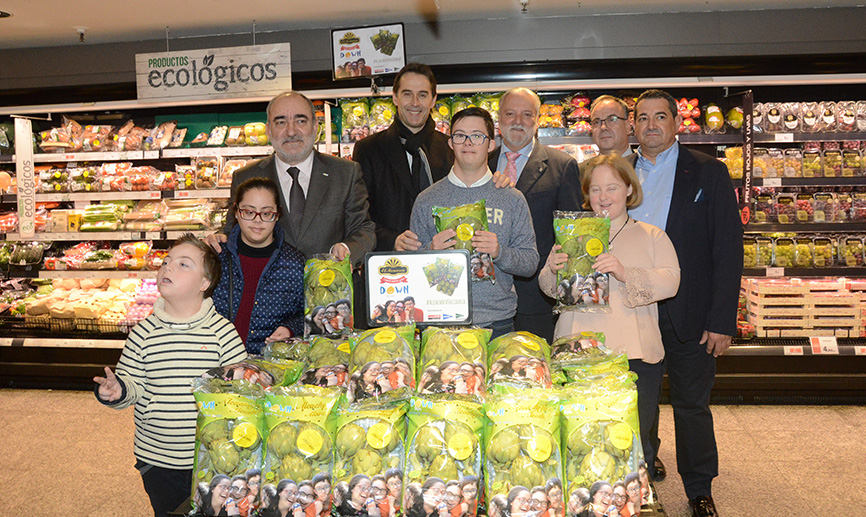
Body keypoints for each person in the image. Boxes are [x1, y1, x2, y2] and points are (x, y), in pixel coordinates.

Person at [628, 89, 743, 517]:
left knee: (692, 406)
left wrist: (722, 320)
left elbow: (728, 249)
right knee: (639, 404)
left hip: (692, 314)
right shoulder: (620, 172)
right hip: (635, 309)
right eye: (642, 118)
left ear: (678, 123)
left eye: (660, 117)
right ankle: (640, 483)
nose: (651, 125)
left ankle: (699, 489)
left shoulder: (709, 172)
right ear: (633, 125)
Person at [539, 154, 680, 484]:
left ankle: (639, 497)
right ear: (587, 194)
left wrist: (622, 271)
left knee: (632, 439)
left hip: (634, 356)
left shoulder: (652, 236)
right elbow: (548, 288)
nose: (604, 197)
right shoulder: (570, 235)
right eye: (596, 189)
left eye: (612, 187)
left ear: (629, 189)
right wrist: (553, 270)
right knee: (579, 440)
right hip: (578, 353)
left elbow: (671, 281)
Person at [94, 234, 247, 517]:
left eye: (183, 264)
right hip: (156, 459)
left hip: (211, 457)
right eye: (166, 262)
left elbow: (242, 385)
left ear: (205, 284)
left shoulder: (221, 332)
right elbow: (132, 383)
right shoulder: (143, 333)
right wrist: (118, 391)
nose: (168, 268)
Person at [206, 91, 375, 271]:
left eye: (300, 121)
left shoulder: (345, 173)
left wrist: (347, 249)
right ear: (269, 130)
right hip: (269, 293)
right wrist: (218, 239)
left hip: (330, 289)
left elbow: (363, 229)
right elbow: (232, 231)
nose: (291, 131)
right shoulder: (245, 177)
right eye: (281, 122)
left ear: (315, 127)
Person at [408, 107, 538, 338]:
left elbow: (529, 263)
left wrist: (499, 252)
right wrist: (430, 251)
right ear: (451, 143)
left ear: (490, 144)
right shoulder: (426, 200)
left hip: (497, 323)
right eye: (460, 136)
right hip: (440, 324)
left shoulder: (511, 198)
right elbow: (410, 274)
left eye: (477, 136)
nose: (468, 142)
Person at [487, 87, 583, 343]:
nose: (518, 121)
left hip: (539, 300)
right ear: (499, 120)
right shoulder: (480, 165)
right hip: (487, 298)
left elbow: (571, 238)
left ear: (537, 121)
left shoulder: (562, 166)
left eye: (527, 114)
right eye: (510, 113)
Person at [354, 63, 454, 253]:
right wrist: (392, 239)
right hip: (391, 266)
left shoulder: (451, 148)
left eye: (423, 95)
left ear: (433, 100)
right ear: (395, 98)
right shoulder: (368, 149)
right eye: (407, 94)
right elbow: (359, 216)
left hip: (445, 261)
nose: (415, 103)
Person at [212, 177, 305, 354]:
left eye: (266, 213)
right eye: (249, 212)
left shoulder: (295, 263)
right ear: (237, 212)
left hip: (267, 367)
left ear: (277, 215)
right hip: (214, 359)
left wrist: (290, 329)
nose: (257, 220)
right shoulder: (217, 257)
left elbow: (307, 315)